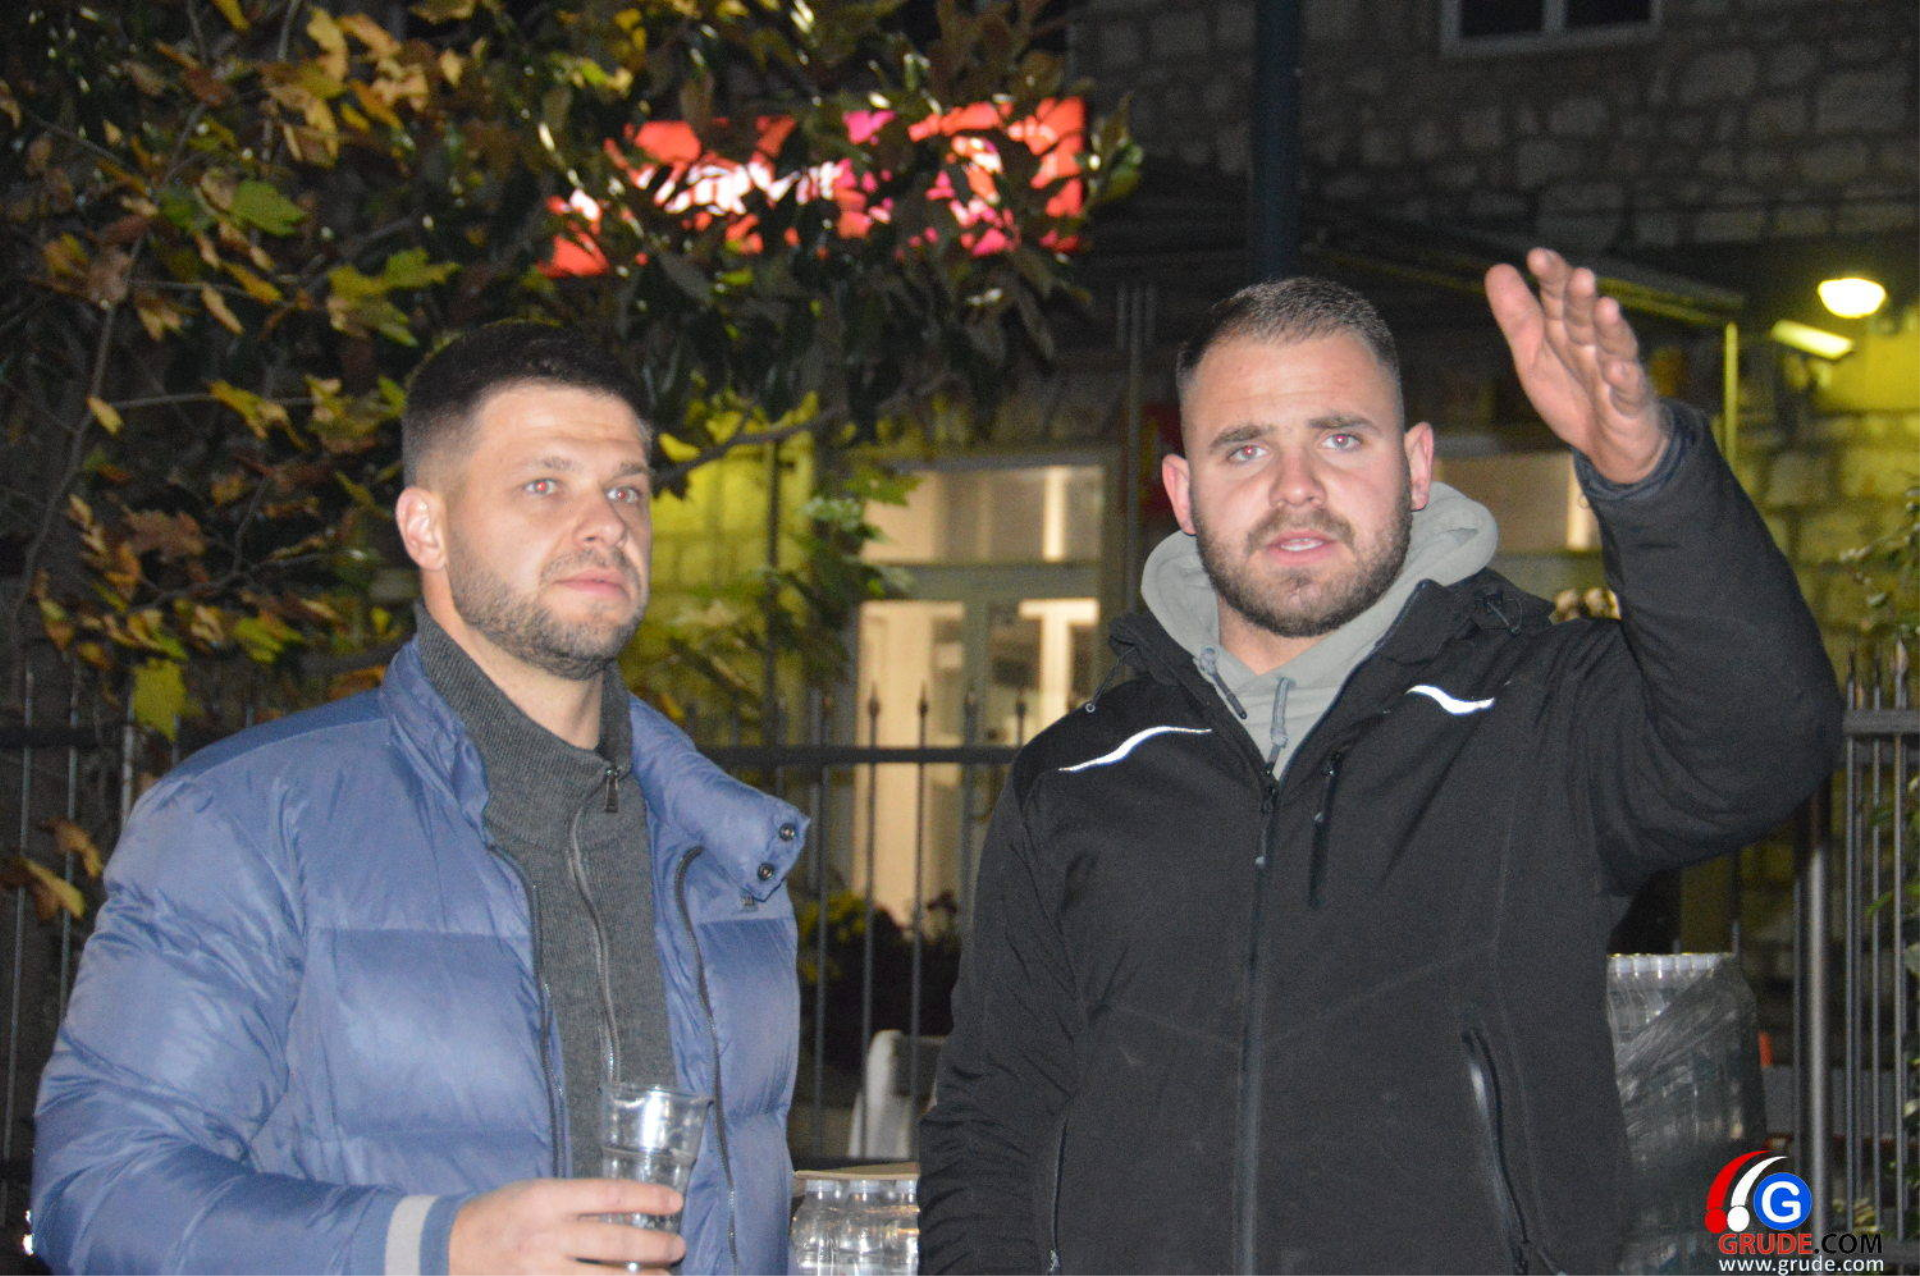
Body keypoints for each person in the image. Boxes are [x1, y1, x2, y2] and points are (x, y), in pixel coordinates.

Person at [918, 250, 1841, 1273]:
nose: (1296, 488)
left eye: (1340, 438)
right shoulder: (1079, 777)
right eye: (1244, 448)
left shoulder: (1540, 715)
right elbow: (991, 1124)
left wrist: (1648, 475)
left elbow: (1765, 739)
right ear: (1182, 490)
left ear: (1416, 464)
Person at [32, 323, 805, 1275]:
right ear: (425, 529)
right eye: (545, 485)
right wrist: (434, 1245)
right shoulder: (250, 822)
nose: (605, 524)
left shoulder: (726, 852)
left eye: (626, 490)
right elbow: (100, 1192)